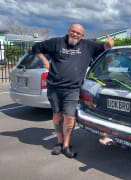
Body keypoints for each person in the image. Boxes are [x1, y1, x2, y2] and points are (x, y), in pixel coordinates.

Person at [32, 24, 114, 158]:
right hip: (54, 87)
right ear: (68, 31)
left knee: (69, 118)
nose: (75, 34)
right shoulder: (56, 42)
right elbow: (36, 48)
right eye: (73, 31)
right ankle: (59, 142)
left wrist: (109, 44)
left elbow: (105, 48)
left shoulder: (88, 46)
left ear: (82, 36)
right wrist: (45, 62)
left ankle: (66, 145)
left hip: (73, 89)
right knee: (57, 115)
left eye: (78, 33)